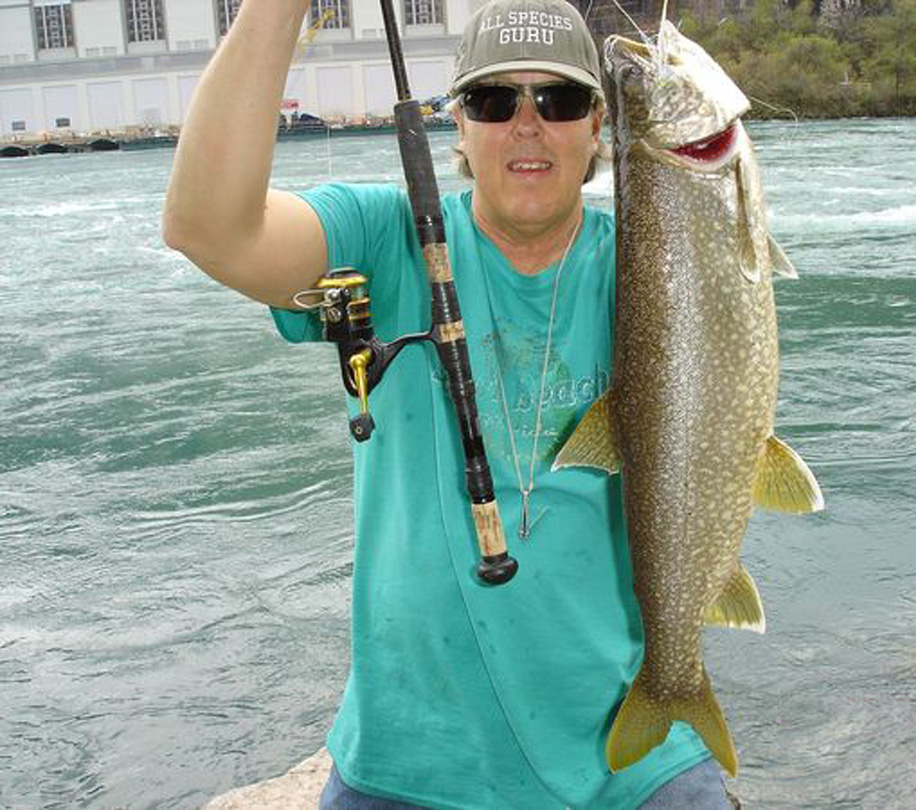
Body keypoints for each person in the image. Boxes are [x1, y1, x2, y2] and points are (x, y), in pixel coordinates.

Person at [163, 0, 736, 807]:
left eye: (560, 101)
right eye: (495, 102)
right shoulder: (381, 238)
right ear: (457, 127)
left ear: (601, 127)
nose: (527, 126)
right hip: (412, 765)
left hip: (633, 767)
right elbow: (208, 228)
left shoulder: (657, 269)